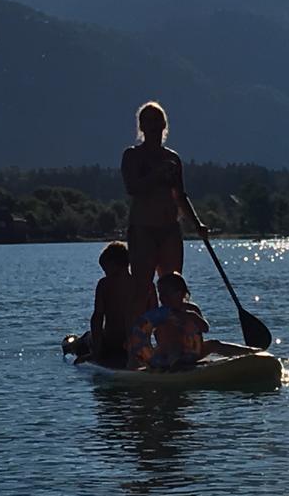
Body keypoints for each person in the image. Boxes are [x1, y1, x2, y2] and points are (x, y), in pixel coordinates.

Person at [121, 101, 208, 319]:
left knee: (173, 289)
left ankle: (172, 341)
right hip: (143, 229)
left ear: (164, 125)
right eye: (148, 121)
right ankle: (136, 343)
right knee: (142, 287)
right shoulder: (132, 156)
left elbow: (180, 196)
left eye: (157, 121)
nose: (153, 126)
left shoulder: (173, 159)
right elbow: (132, 188)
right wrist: (157, 174)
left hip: (169, 229)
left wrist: (197, 224)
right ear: (141, 127)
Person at [128, 273, 256, 370]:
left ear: (181, 294)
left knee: (214, 344)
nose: (163, 297)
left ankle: (252, 353)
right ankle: (174, 367)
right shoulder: (160, 314)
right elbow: (149, 333)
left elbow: (205, 328)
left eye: (167, 294)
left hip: (192, 352)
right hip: (167, 355)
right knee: (173, 348)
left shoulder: (191, 309)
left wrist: (192, 316)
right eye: (161, 294)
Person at [88, 241, 153, 368]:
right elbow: (153, 317)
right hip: (138, 344)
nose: (105, 274)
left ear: (113, 265)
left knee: (86, 339)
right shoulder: (146, 285)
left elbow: (97, 317)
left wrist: (97, 352)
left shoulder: (104, 285)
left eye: (106, 269)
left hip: (112, 344)